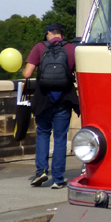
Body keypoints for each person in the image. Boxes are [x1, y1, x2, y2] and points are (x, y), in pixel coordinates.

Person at [23, 24, 78, 189]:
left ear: (48, 34)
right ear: (61, 34)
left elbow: (27, 74)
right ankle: (58, 179)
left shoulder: (39, 47)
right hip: (65, 97)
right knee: (60, 138)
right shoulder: (71, 49)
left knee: (43, 133)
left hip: (43, 98)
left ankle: (41, 171)